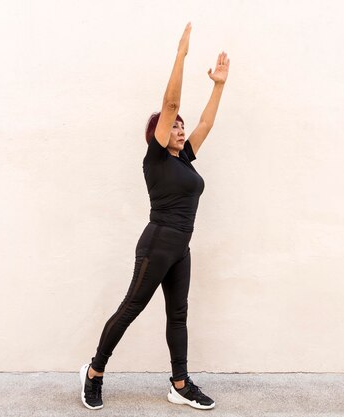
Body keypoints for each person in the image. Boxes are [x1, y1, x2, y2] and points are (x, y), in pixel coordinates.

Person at [80, 21, 230, 410]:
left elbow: (206, 123)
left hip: (181, 247)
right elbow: (171, 105)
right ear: (160, 135)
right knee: (131, 308)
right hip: (158, 242)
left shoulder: (185, 160)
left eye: (180, 127)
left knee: (178, 315)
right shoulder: (157, 158)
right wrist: (180, 55)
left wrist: (218, 85)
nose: (180, 128)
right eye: (173, 127)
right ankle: (94, 373)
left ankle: (179, 383)